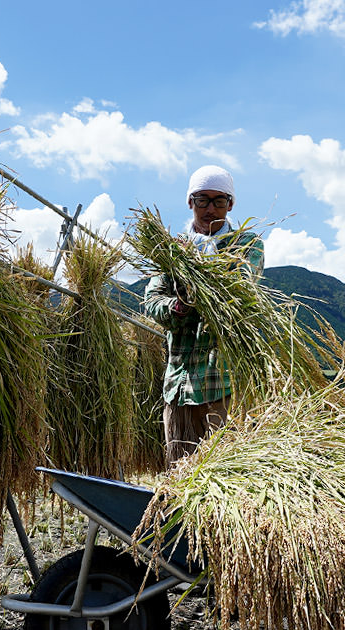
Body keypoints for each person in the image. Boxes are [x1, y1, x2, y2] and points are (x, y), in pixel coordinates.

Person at [142, 165, 265, 467]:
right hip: (178, 385)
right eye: (202, 200)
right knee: (178, 475)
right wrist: (181, 306)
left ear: (230, 204)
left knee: (225, 475)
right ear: (190, 202)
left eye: (219, 201)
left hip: (222, 386)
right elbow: (153, 302)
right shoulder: (170, 251)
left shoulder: (246, 246)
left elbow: (237, 291)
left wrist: (194, 281)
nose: (211, 209)